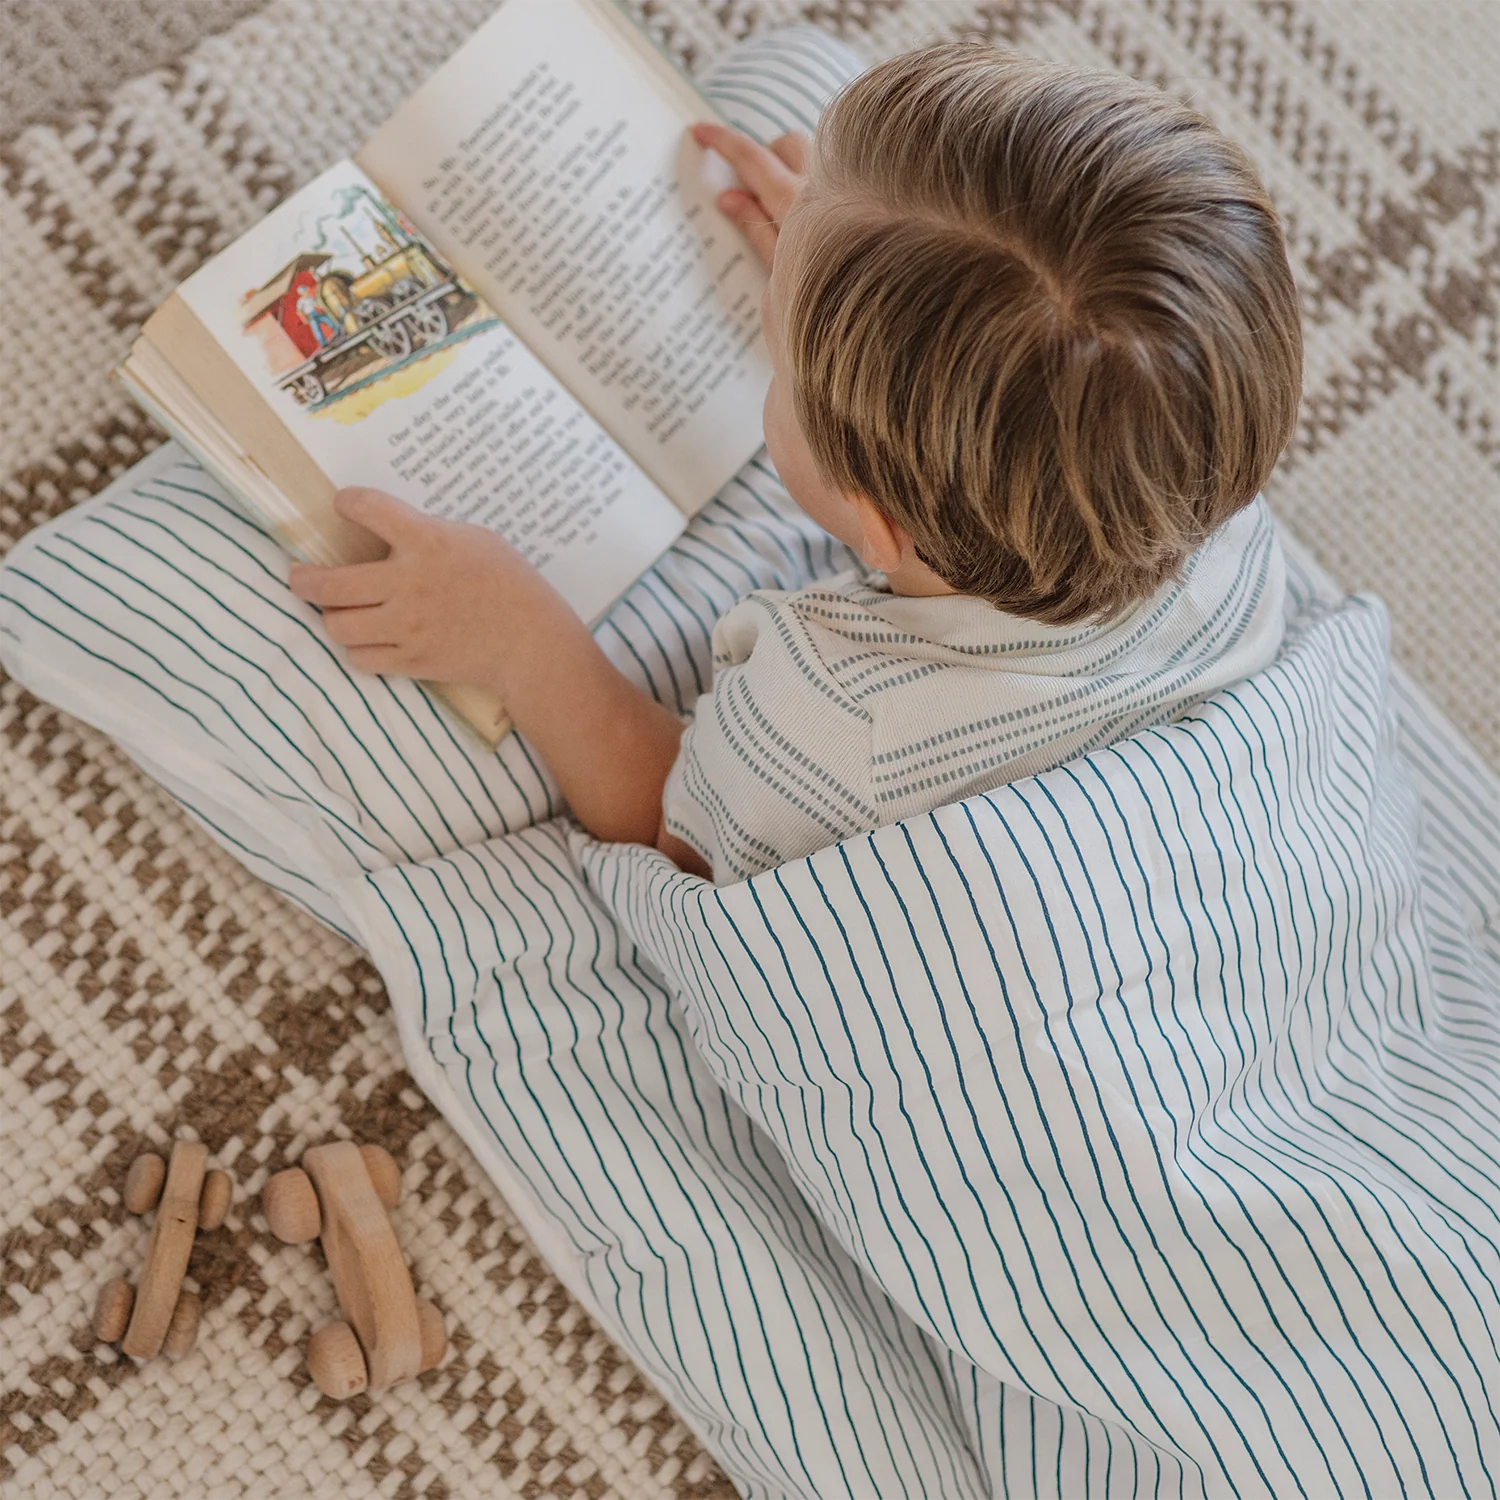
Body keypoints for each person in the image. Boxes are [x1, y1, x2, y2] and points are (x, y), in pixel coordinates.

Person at [292, 42, 1302, 884]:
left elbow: (676, 836)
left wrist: (526, 645)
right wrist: (861, 263)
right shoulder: (1214, 506)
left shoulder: (830, 722)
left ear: (876, 523)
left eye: (782, 348)